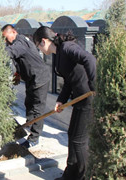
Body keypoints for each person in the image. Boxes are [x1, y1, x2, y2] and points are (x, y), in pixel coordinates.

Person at [33, 26, 96, 180]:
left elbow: (90, 59)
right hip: (79, 99)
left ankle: (83, 176)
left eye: (38, 46)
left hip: (88, 99)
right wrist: (61, 99)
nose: (40, 50)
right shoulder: (59, 53)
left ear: (44, 41)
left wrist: (95, 86)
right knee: (72, 136)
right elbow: (68, 80)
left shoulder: (68, 48)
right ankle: (70, 175)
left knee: (79, 140)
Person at [2, 24, 50, 148]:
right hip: (30, 78)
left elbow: (12, 52)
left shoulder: (20, 42)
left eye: (6, 38)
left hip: (40, 77)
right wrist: (18, 74)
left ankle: (34, 138)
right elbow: (21, 59)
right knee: (28, 103)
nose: (5, 41)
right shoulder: (17, 43)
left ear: (13, 32)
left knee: (37, 108)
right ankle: (28, 125)